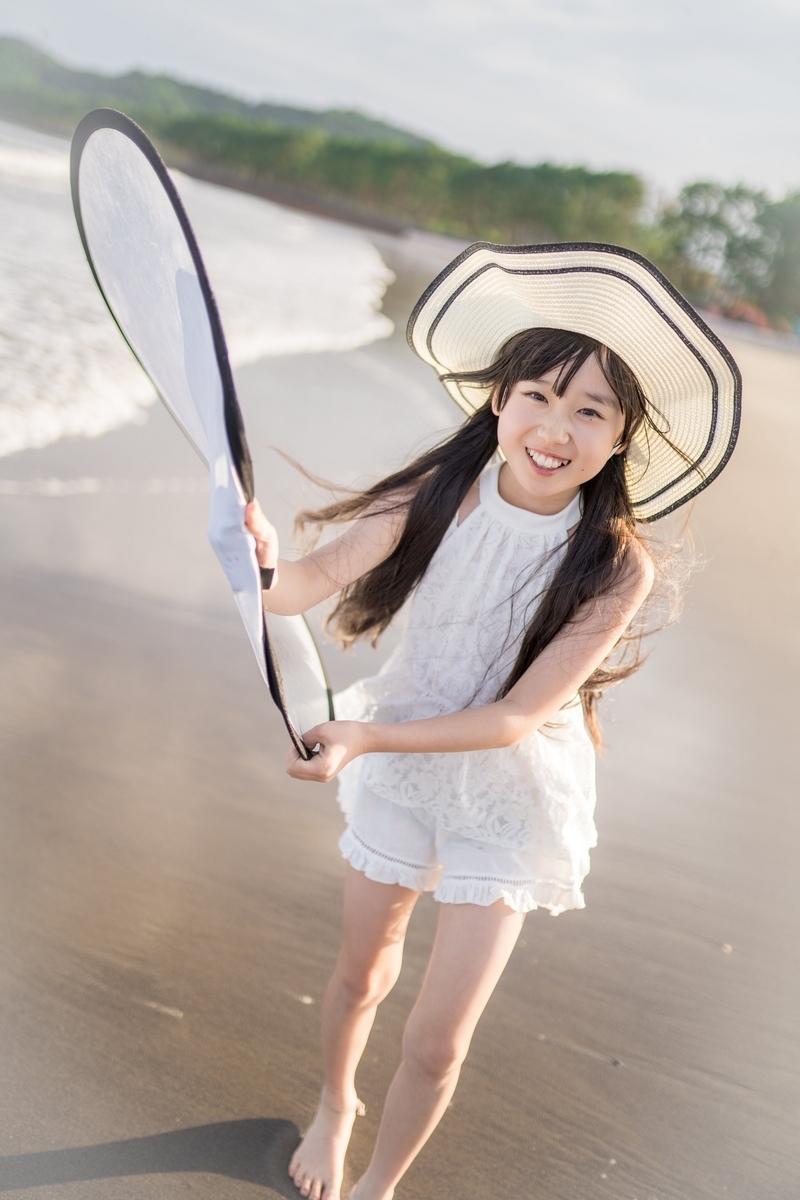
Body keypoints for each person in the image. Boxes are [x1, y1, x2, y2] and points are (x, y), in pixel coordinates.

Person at [245, 243, 741, 1200]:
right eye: (538, 397)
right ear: (498, 402)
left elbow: (515, 718)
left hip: (510, 794)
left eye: (590, 410)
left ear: (622, 436)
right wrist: (258, 556)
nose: (556, 429)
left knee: (439, 1041)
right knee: (360, 976)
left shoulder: (615, 564)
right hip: (405, 757)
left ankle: (381, 1186)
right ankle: (336, 1106)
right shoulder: (436, 495)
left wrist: (363, 736)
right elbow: (301, 584)